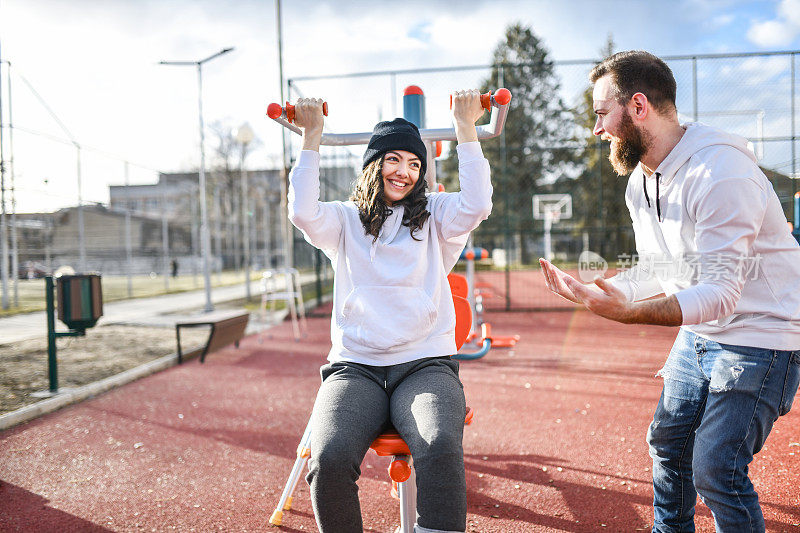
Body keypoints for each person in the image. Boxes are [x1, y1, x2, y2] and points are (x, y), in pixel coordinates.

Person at [540, 50, 800, 532]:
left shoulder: (721, 172)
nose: (597, 130)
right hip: (703, 331)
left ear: (638, 106)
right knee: (668, 443)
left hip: (761, 335)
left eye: (602, 114)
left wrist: (630, 314)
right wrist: (602, 289)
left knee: (716, 470)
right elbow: (662, 267)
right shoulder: (641, 182)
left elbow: (721, 292)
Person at [288, 91, 491, 533]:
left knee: (438, 445)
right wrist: (311, 137)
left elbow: (477, 205)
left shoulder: (435, 215)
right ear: (373, 165)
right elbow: (303, 212)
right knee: (328, 458)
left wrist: (464, 127)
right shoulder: (343, 221)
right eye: (394, 160)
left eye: (414, 164)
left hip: (424, 366)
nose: (404, 172)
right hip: (355, 369)